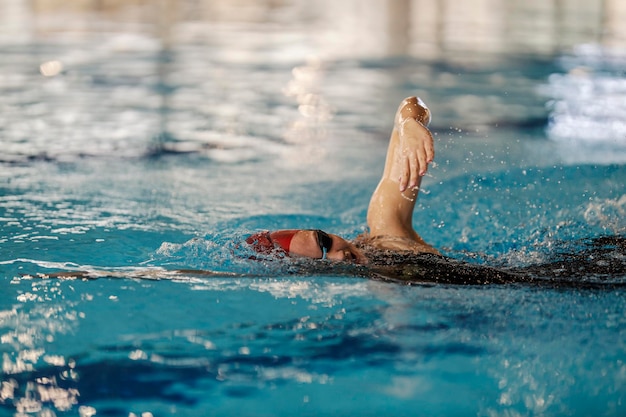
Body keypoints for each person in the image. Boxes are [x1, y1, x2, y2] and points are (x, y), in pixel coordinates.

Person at [246, 96, 440, 263]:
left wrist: (409, 124)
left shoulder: (388, 234)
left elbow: (410, 104)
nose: (339, 257)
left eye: (325, 243)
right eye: (319, 262)